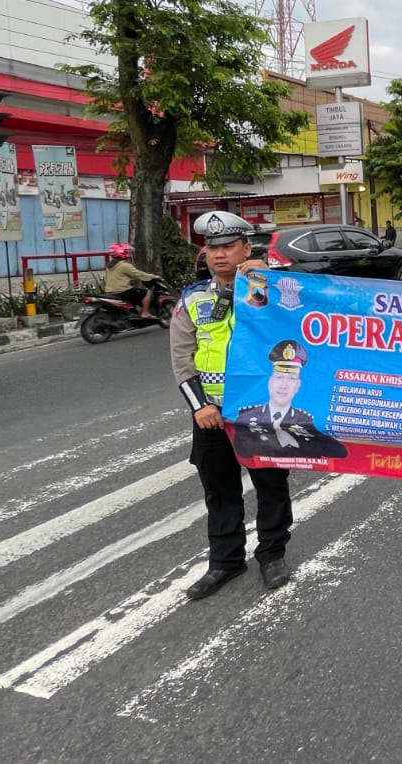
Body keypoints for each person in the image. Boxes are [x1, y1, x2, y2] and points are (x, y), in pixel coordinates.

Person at [171, 210, 295, 599]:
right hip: (211, 414)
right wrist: (199, 406)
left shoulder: (269, 290)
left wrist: (269, 276)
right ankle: (225, 561)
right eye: (212, 248)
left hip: (258, 410)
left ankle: (272, 555)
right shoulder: (193, 298)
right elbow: (181, 358)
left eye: (228, 247)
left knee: (270, 483)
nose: (219, 255)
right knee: (220, 489)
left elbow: (304, 317)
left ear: (246, 248)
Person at [233, 340, 351, 459]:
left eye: (291, 378)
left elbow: (340, 451)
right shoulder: (247, 417)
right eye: (279, 377)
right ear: (269, 381)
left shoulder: (306, 420)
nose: (284, 385)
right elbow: (243, 451)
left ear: (298, 385)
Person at [103, 243, 160, 319]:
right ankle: (145, 313)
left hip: (109, 291)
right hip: (122, 291)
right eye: (126, 251)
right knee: (147, 292)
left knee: (135, 292)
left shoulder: (109, 265)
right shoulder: (124, 265)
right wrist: (154, 276)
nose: (128, 253)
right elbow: (139, 274)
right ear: (122, 253)